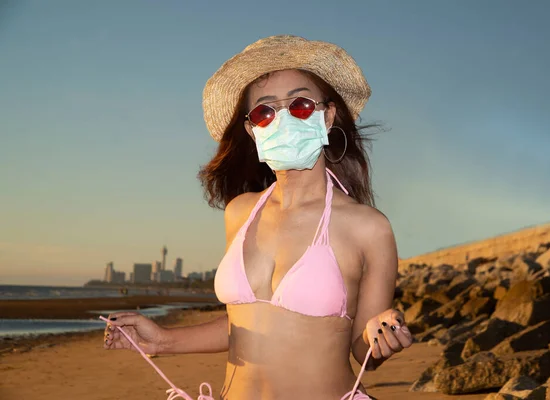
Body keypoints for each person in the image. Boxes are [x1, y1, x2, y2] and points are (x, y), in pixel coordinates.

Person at [103, 35, 412, 400]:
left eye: (299, 105)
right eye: (266, 111)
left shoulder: (368, 227)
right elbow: (245, 323)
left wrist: (381, 335)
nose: (282, 119)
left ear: (327, 116)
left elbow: (364, 355)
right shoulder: (240, 212)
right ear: (252, 130)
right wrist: (163, 340)